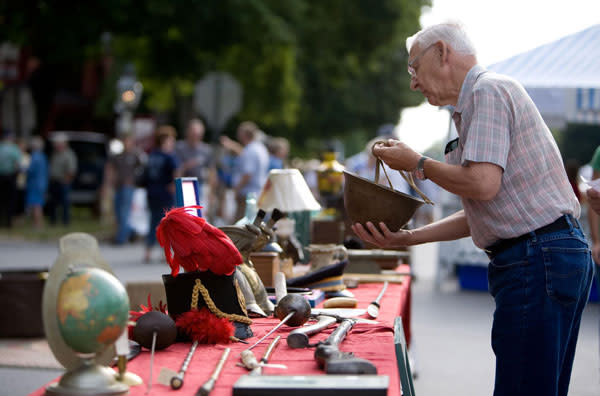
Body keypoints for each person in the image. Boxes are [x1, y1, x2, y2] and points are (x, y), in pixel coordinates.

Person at [352, 22, 594, 396]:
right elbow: (486, 210)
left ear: (443, 53)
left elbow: (482, 184)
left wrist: (417, 162)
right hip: (546, 251)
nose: (414, 82)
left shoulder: (487, 91)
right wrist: (409, 238)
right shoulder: (480, 100)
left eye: (414, 68)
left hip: (538, 255)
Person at [144, 125, 181, 262]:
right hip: (165, 193)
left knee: (153, 221)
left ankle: (147, 251)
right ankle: (164, 253)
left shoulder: (152, 155)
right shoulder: (169, 157)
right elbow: (176, 172)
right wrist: (174, 185)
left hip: (152, 192)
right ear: (165, 140)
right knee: (166, 224)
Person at [104, 133, 145, 245]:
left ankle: (120, 239)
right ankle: (131, 232)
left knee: (124, 212)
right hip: (118, 186)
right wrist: (109, 183)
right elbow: (111, 169)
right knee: (118, 213)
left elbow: (142, 169)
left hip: (128, 186)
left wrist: (135, 180)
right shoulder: (118, 156)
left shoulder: (135, 155)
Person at [175, 119, 216, 217]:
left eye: (198, 134)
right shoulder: (179, 147)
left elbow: (212, 171)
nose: (195, 136)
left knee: (198, 216)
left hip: (199, 185)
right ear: (188, 132)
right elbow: (174, 169)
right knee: (183, 217)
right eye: (193, 133)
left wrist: (211, 192)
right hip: (182, 184)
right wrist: (186, 166)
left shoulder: (206, 150)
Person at [228, 121, 269, 221]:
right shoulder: (261, 148)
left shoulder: (250, 150)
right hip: (257, 193)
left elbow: (247, 174)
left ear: (244, 134)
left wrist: (236, 189)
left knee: (240, 229)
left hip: (247, 196)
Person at [47, 132, 77, 225]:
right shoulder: (54, 153)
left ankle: (65, 221)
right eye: (55, 143)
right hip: (54, 181)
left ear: (63, 143)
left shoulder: (69, 154)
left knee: (65, 203)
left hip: (63, 182)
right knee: (53, 203)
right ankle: (53, 221)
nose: (55, 145)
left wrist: (66, 181)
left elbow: (72, 170)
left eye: (57, 143)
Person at [25, 136, 48, 229]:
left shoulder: (35, 156)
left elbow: (30, 170)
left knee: (36, 205)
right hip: (42, 183)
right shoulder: (43, 156)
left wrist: (22, 168)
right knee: (38, 204)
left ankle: (37, 224)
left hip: (34, 184)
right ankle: (38, 223)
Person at [0, 130, 22, 227]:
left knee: (1, 199)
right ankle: (9, 222)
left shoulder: (1, 147)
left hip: (1, 176)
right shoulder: (14, 148)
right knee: (10, 200)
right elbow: (18, 164)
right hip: (10, 176)